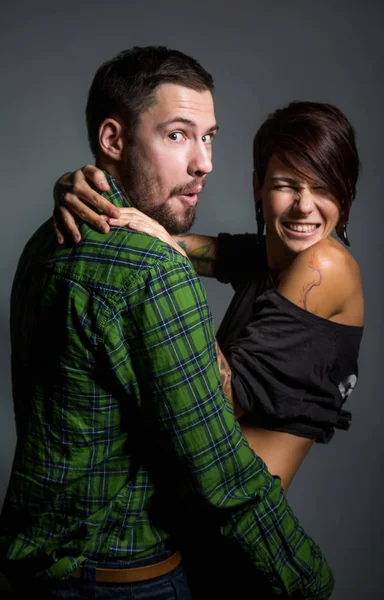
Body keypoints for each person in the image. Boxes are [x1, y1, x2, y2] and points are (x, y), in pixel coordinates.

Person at [0, 46, 335, 600]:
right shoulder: (155, 273)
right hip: (127, 582)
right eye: (178, 135)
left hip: (36, 572)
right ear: (113, 140)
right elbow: (223, 477)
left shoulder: (48, 237)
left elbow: (251, 255)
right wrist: (310, 582)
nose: (203, 161)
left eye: (209, 137)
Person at [54, 100, 364, 493]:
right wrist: (76, 187)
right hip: (195, 500)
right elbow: (151, 238)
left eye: (323, 188)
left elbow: (220, 405)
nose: (304, 206)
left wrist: (166, 264)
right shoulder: (270, 255)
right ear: (258, 185)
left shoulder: (324, 265)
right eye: (286, 185)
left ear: (346, 191)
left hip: (231, 517)